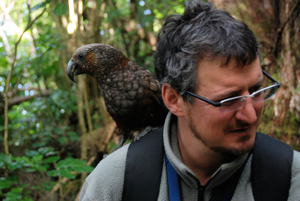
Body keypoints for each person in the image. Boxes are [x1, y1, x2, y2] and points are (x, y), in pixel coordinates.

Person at [79, 1, 300, 200]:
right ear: (173, 100)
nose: (251, 116)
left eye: (257, 90)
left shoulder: (290, 177)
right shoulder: (114, 183)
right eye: (228, 99)